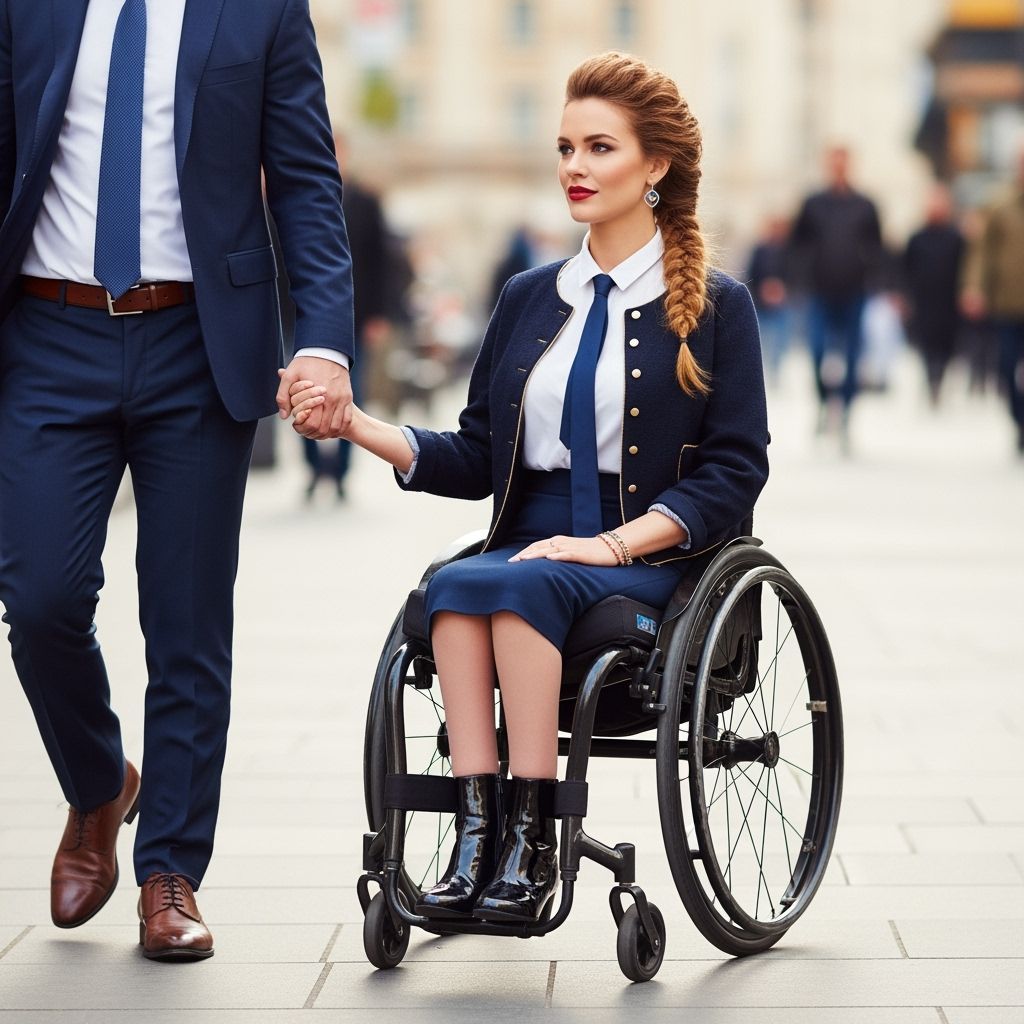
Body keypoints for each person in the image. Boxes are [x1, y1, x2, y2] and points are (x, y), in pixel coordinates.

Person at [289, 52, 769, 925]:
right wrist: (359, 425)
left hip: (652, 551)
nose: (573, 169)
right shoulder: (526, 296)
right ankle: (481, 834)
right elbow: (478, 455)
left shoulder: (716, 305)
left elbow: (736, 472)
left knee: (508, 580)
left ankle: (532, 841)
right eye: (564, 148)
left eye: (598, 148)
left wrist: (612, 544)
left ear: (654, 165)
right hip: (533, 540)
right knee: (459, 584)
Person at [0, 0, 354, 960]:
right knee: (39, 597)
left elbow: (308, 181)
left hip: (198, 342)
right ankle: (97, 781)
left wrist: (322, 337)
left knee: (187, 618)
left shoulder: (262, 10)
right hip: (46, 333)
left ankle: (170, 872)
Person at [301, 134, 390, 500]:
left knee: (355, 393)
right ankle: (314, 467)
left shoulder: (366, 201)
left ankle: (340, 472)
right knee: (301, 394)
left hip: (357, 315)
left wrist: (379, 316)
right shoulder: (298, 198)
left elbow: (382, 261)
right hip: (303, 316)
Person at [790, 146, 883, 439]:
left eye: (843, 162)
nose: (838, 167)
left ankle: (845, 411)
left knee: (853, 356)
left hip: (855, 291)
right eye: (834, 162)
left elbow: (878, 248)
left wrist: (880, 282)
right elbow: (797, 245)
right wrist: (794, 279)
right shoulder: (813, 203)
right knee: (817, 350)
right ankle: (822, 402)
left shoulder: (865, 205)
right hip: (819, 291)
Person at [962, 148, 1024, 455]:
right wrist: (974, 287)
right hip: (1007, 303)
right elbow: (982, 253)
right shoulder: (1000, 206)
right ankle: (1018, 418)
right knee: (1006, 367)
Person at [902, 184, 965, 407]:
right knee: (926, 344)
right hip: (924, 299)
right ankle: (931, 380)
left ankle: (939, 378)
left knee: (946, 344)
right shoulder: (917, 237)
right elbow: (906, 268)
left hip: (948, 299)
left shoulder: (956, 237)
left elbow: (964, 268)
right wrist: (904, 296)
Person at [745, 215, 791, 386]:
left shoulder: (788, 251)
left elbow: (793, 275)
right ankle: (761, 370)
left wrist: (781, 290)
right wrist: (762, 291)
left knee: (780, 340)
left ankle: (776, 370)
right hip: (761, 302)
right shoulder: (760, 250)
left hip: (781, 303)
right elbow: (751, 274)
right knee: (761, 338)